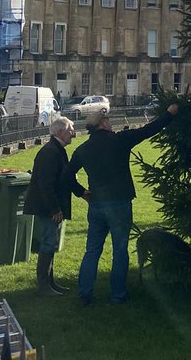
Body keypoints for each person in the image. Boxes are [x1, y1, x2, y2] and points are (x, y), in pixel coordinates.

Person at [68, 102, 179, 305]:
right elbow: (148, 130)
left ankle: (85, 293)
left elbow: (66, 176)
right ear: (103, 123)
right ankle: (118, 294)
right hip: (119, 202)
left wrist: (81, 192)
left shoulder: (82, 149)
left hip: (97, 204)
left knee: (92, 250)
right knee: (119, 249)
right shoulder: (120, 140)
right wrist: (169, 114)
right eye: (108, 119)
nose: (111, 122)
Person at [23, 115, 87, 295]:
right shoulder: (51, 152)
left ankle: (50, 282)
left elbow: (64, 178)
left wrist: (81, 192)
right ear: (60, 132)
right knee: (48, 242)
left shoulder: (55, 149)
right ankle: (44, 285)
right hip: (47, 207)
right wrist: (55, 209)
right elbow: (46, 184)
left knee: (50, 242)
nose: (72, 133)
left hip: (49, 205)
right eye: (69, 130)